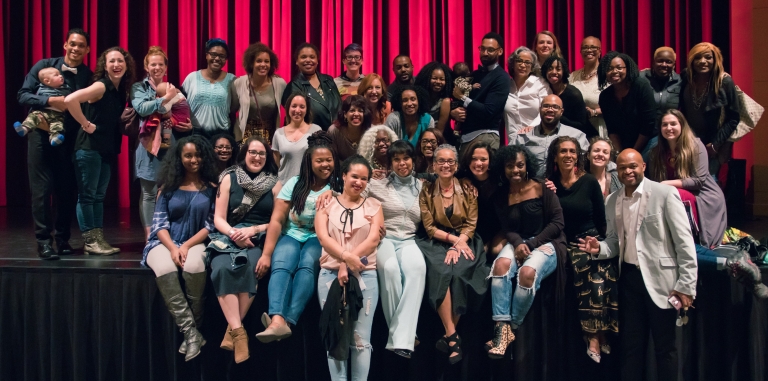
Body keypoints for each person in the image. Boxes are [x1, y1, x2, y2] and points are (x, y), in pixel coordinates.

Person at [578, 149, 698, 381]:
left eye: (632, 166)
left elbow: (685, 243)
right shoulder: (612, 199)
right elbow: (614, 241)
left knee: (666, 349)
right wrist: (599, 248)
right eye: (622, 167)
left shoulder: (664, 194)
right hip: (629, 280)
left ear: (643, 166)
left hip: (663, 282)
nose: (628, 171)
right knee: (630, 347)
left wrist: (686, 285)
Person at [256, 131, 341, 343]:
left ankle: (288, 321)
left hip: (319, 238)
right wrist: (266, 254)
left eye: (328, 160)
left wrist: (335, 192)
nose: (325, 165)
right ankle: (276, 319)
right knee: (282, 263)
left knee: (307, 265)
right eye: (319, 160)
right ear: (309, 162)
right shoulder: (295, 183)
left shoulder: (339, 185)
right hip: (292, 234)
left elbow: (355, 200)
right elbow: (276, 220)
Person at [141, 135, 219, 361]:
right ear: (179, 158)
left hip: (196, 241)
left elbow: (210, 225)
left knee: (194, 266)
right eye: (188, 155)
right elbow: (159, 224)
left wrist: (185, 246)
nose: (194, 159)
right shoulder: (167, 187)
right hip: (164, 242)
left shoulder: (212, 188)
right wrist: (173, 248)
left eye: (197, 155)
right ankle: (191, 332)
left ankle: (193, 330)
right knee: (165, 268)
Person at [17, 28, 92, 259]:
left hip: (67, 138)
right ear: (65, 45)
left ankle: (62, 239)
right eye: (73, 44)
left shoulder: (88, 76)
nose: (76, 48)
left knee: (66, 190)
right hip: (39, 136)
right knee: (41, 190)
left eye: (81, 45)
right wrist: (51, 100)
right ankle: (43, 241)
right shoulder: (44, 65)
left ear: (87, 50)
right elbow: (23, 95)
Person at [485, 145, 565, 359]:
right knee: (500, 266)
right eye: (510, 166)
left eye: (520, 165)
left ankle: (512, 326)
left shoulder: (542, 187)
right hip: (518, 241)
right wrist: (519, 243)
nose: (516, 170)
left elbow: (558, 223)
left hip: (547, 242)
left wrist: (530, 245)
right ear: (503, 168)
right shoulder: (500, 196)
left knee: (527, 273)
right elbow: (507, 228)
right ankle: (502, 327)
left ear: (527, 164)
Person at [206, 136, 279, 363]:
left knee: (251, 269)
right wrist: (234, 234)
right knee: (220, 270)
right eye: (253, 152)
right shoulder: (228, 177)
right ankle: (239, 334)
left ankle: (232, 332)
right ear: (244, 154)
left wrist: (253, 230)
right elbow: (218, 218)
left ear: (267, 158)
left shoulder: (275, 183)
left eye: (262, 154)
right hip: (228, 234)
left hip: (257, 237)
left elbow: (278, 222)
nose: (257, 157)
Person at [546, 136, 616, 363]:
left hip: (591, 237)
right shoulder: (548, 183)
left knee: (601, 270)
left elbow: (601, 219)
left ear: (578, 156)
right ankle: (594, 334)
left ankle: (598, 332)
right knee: (586, 267)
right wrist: (549, 193)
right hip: (565, 240)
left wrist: (605, 244)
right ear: (555, 157)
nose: (568, 155)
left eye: (572, 151)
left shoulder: (588, 182)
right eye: (563, 151)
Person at [416, 144, 489, 364]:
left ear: (456, 166)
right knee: (440, 271)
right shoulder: (426, 190)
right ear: (434, 165)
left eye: (450, 161)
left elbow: (471, 223)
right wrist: (453, 241)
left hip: (465, 240)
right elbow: (429, 227)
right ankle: (452, 336)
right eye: (441, 161)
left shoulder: (467, 189)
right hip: (436, 241)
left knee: (460, 273)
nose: (445, 165)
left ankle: (449, 334)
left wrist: (461, 242)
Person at [315, 154, 383, 380]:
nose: (359, 182)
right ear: (343, 176)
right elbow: (324, 239)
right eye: (354, 176)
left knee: (361, 341)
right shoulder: (326, 204)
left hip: (365, 276)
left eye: (364, 179)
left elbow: (373, 241)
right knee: (335, 337)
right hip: (329, 275)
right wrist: (344, 260)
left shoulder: (374, 206)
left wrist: (347, 263)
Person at [64, 46, 135, 255]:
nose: (116, 65)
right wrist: (86, 124)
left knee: (98, 196)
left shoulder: (119, 89)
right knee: (87, 196)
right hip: (88, 148)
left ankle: (97, 240)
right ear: (105, 65)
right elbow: (70, 100)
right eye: (111, 61)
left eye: (120, 61)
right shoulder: (101, 86)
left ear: (126, 64)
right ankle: (90, 240)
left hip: (105, 149)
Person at [367, 140, 427, 359]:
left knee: (417, 269)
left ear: (413, 160)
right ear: (390, 163)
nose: (402, 163)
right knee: (390, 269)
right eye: (396, 159)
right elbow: (352, 194)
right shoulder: (377, 184)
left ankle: (399, 338)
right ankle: (404, 337)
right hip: (385, 239)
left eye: (406, 158)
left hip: (409, 239)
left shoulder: (423, 187)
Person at [131, 46, 193, 241]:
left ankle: (165, 231)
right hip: (148, 147)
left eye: (160, 64)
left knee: (168, 191)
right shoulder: (138, 88)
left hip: (171, 146)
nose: (156, 68)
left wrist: (187, 125)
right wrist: (166, 98)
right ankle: (150, 236)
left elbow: (182, 112)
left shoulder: (173, 87)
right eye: (153, 64)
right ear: (146, 67)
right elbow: (142, 109)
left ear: (166, 68)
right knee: (149, 192)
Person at [679, 42, 740, 177]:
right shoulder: (686, 77)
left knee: (708, 182)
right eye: (697, 57)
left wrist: (715, 144)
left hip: (711, 144)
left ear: (715, 59)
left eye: (708, 57)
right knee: (687, 180)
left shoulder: (724, 82)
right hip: (688, 141)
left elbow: (734, 118)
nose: (703, 61)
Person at [451, 32, 510, 154]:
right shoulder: (474, 75)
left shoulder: (502, 77)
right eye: (482, 49)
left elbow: (489, 111)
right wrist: (453, 113)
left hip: (486, 136)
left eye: (490, 50)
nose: (485, 53)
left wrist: (462, 98)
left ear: (500, 52)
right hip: (465, 137)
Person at [509, 94, 589, 178]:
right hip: (531, 186)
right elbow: (507, 159)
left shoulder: (576, 135)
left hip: (564, 187)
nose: (550, 110)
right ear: (540, 109)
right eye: (546, 106)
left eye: (555, 107)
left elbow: (585, 165)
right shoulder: (523, 137)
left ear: (561, 112)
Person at [598, 51, 656, 152]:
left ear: (627, 68)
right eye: (609, 69)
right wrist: (620, 154)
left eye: (619, 67)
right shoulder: (605, 96)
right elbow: (612, 130)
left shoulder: (641, 86)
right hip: (624, 144)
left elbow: (648, 125)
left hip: (649, 141)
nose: (614, 71)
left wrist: (633, 152)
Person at [230, 42, 287, 145]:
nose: (263, 65)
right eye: (259, 61)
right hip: (244, 137)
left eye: (267, 61)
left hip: (270, 137)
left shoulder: (279, 84)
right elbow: (232, 111)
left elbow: (290, 108)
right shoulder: (239, 83)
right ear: (251, 63)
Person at [182, 38, 236, 138]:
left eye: (222, 56)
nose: (217, 58)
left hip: (222, 136)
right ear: (207, 55)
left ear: (226, 59)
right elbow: (180, 103)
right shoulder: (192, 78)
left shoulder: (232, 80)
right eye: (213, 54)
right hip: (194, 134)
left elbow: (234, 107)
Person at [282, 43, 342, 130]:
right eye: (303, 57)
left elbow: (339, 105)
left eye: (312, 57)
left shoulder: (328, 80)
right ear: (297, 61)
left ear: (317, 60)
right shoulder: (293, 86)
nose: (308, 60)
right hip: (311, 137)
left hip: (336, 135)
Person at [457, 140, 503, 254]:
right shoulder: (462, 177)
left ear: (490, 161)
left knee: (489, 252)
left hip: (495, 229)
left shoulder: (499, 180)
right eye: (474, 159)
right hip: (471, 229)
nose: (478, 163)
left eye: (483, 159)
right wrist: (461, 180)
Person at [272, 92, 322, 185]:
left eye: (302, 107)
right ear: (288, 108)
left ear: (307, 109)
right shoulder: (278, 133)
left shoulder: (316, 130)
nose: (297, 110)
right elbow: (276, 165)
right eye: (294, 106)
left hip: (309, 186)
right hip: (284, 187)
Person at [13, 67, 71, 145]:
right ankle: (24, 129)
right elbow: (27, 98)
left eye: (60, 74)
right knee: (33, 117)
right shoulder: (41, 89)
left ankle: (55, 138)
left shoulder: (67, 89)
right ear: (47, 81)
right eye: (56, 75)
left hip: (58, 115)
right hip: (42, 112)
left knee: (58, 125)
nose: (61, 76)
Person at [640, 47, 682, 155]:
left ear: (674, 64)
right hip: (643, 134)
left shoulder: (681, 81)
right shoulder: (640, 78)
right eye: (660, 61)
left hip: (670, 134)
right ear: (653, 62)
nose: (664, 64)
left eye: (669, 62)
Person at [541, 56, 595, 137]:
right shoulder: (543, 90)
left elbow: (582, 125)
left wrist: (558, 116)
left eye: (558, 69)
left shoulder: (573, 94)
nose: (553, 72)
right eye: (550, 68)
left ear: (564, 72)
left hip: (580, 137)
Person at [504, 46, 551, 138]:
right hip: (513, 140)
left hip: (537, 137)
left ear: (532, 67)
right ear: (513, 64)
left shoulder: (540, 84)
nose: (522, 65)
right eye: (519, 61)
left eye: (527, 62)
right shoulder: (506, 86)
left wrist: (531, 127)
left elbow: (547, 110)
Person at [571, 36, 607, 138]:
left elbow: (616, 105)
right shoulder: (572, 76)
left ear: (600, 51)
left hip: (600, 128)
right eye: (585, 48)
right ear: (580, 52)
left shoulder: (607, 76)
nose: (589, 50)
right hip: (577, 131)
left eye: (593, 47)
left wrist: (594, 112)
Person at [329, 95, 375, 161]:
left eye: (360, 111)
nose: (356, 114)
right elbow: (332, 159)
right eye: (352, 110)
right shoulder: (334, 131)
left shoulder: (372, 131)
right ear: (345, 114)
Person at [414, 61, 453, 133]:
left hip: (436, 139)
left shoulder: (445, 101)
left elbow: (439, 131)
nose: (438, 82)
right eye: (434, 78)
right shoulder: (419, 98)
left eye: (442, 79)